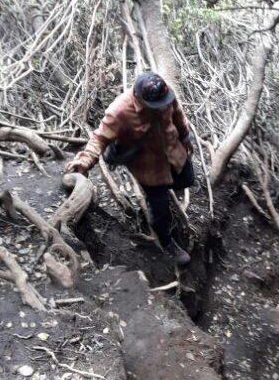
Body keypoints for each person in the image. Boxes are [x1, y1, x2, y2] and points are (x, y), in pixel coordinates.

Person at [66, 71, 194, 267]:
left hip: (174, 152)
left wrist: (185, 138)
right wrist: (83, 161)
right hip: (149, 167)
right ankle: (167, 242)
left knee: (187, 180)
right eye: (155, 106)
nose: (161, 108)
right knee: (160, 209)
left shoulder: (165, 94)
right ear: (139, 98)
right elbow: (99, 138)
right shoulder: (120, 111)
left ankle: (165, 195)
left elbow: (178, 114)